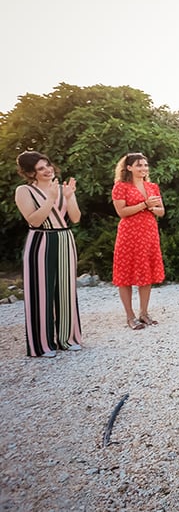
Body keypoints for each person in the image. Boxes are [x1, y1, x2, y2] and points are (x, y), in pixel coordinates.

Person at [14, 151, 83, 357]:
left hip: (65, 239)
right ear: (30, 173)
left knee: (66, 289)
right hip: (40, 240)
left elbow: (75, 218)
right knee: (40, 292)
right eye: (40, 168)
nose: (47, 170)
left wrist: (68, 197)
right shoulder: (24, 191)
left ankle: (67, 339)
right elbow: (34, 220)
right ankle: (42, 345)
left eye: (48, 165)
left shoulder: (63, 188)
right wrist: (51, 198)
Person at [112, 153, 165, 330]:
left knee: (146, 272)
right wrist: (145, 205)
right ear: (129, 168)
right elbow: (122, 212)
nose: (144, 168)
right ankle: (130, 316)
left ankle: (144, 313)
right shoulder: (121, 187)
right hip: (129, 235)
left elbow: (161, 211)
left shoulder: (152, 187)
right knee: (125, 275)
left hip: (149, 233)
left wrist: (153, 207)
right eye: (139, 165)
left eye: (145, 165)